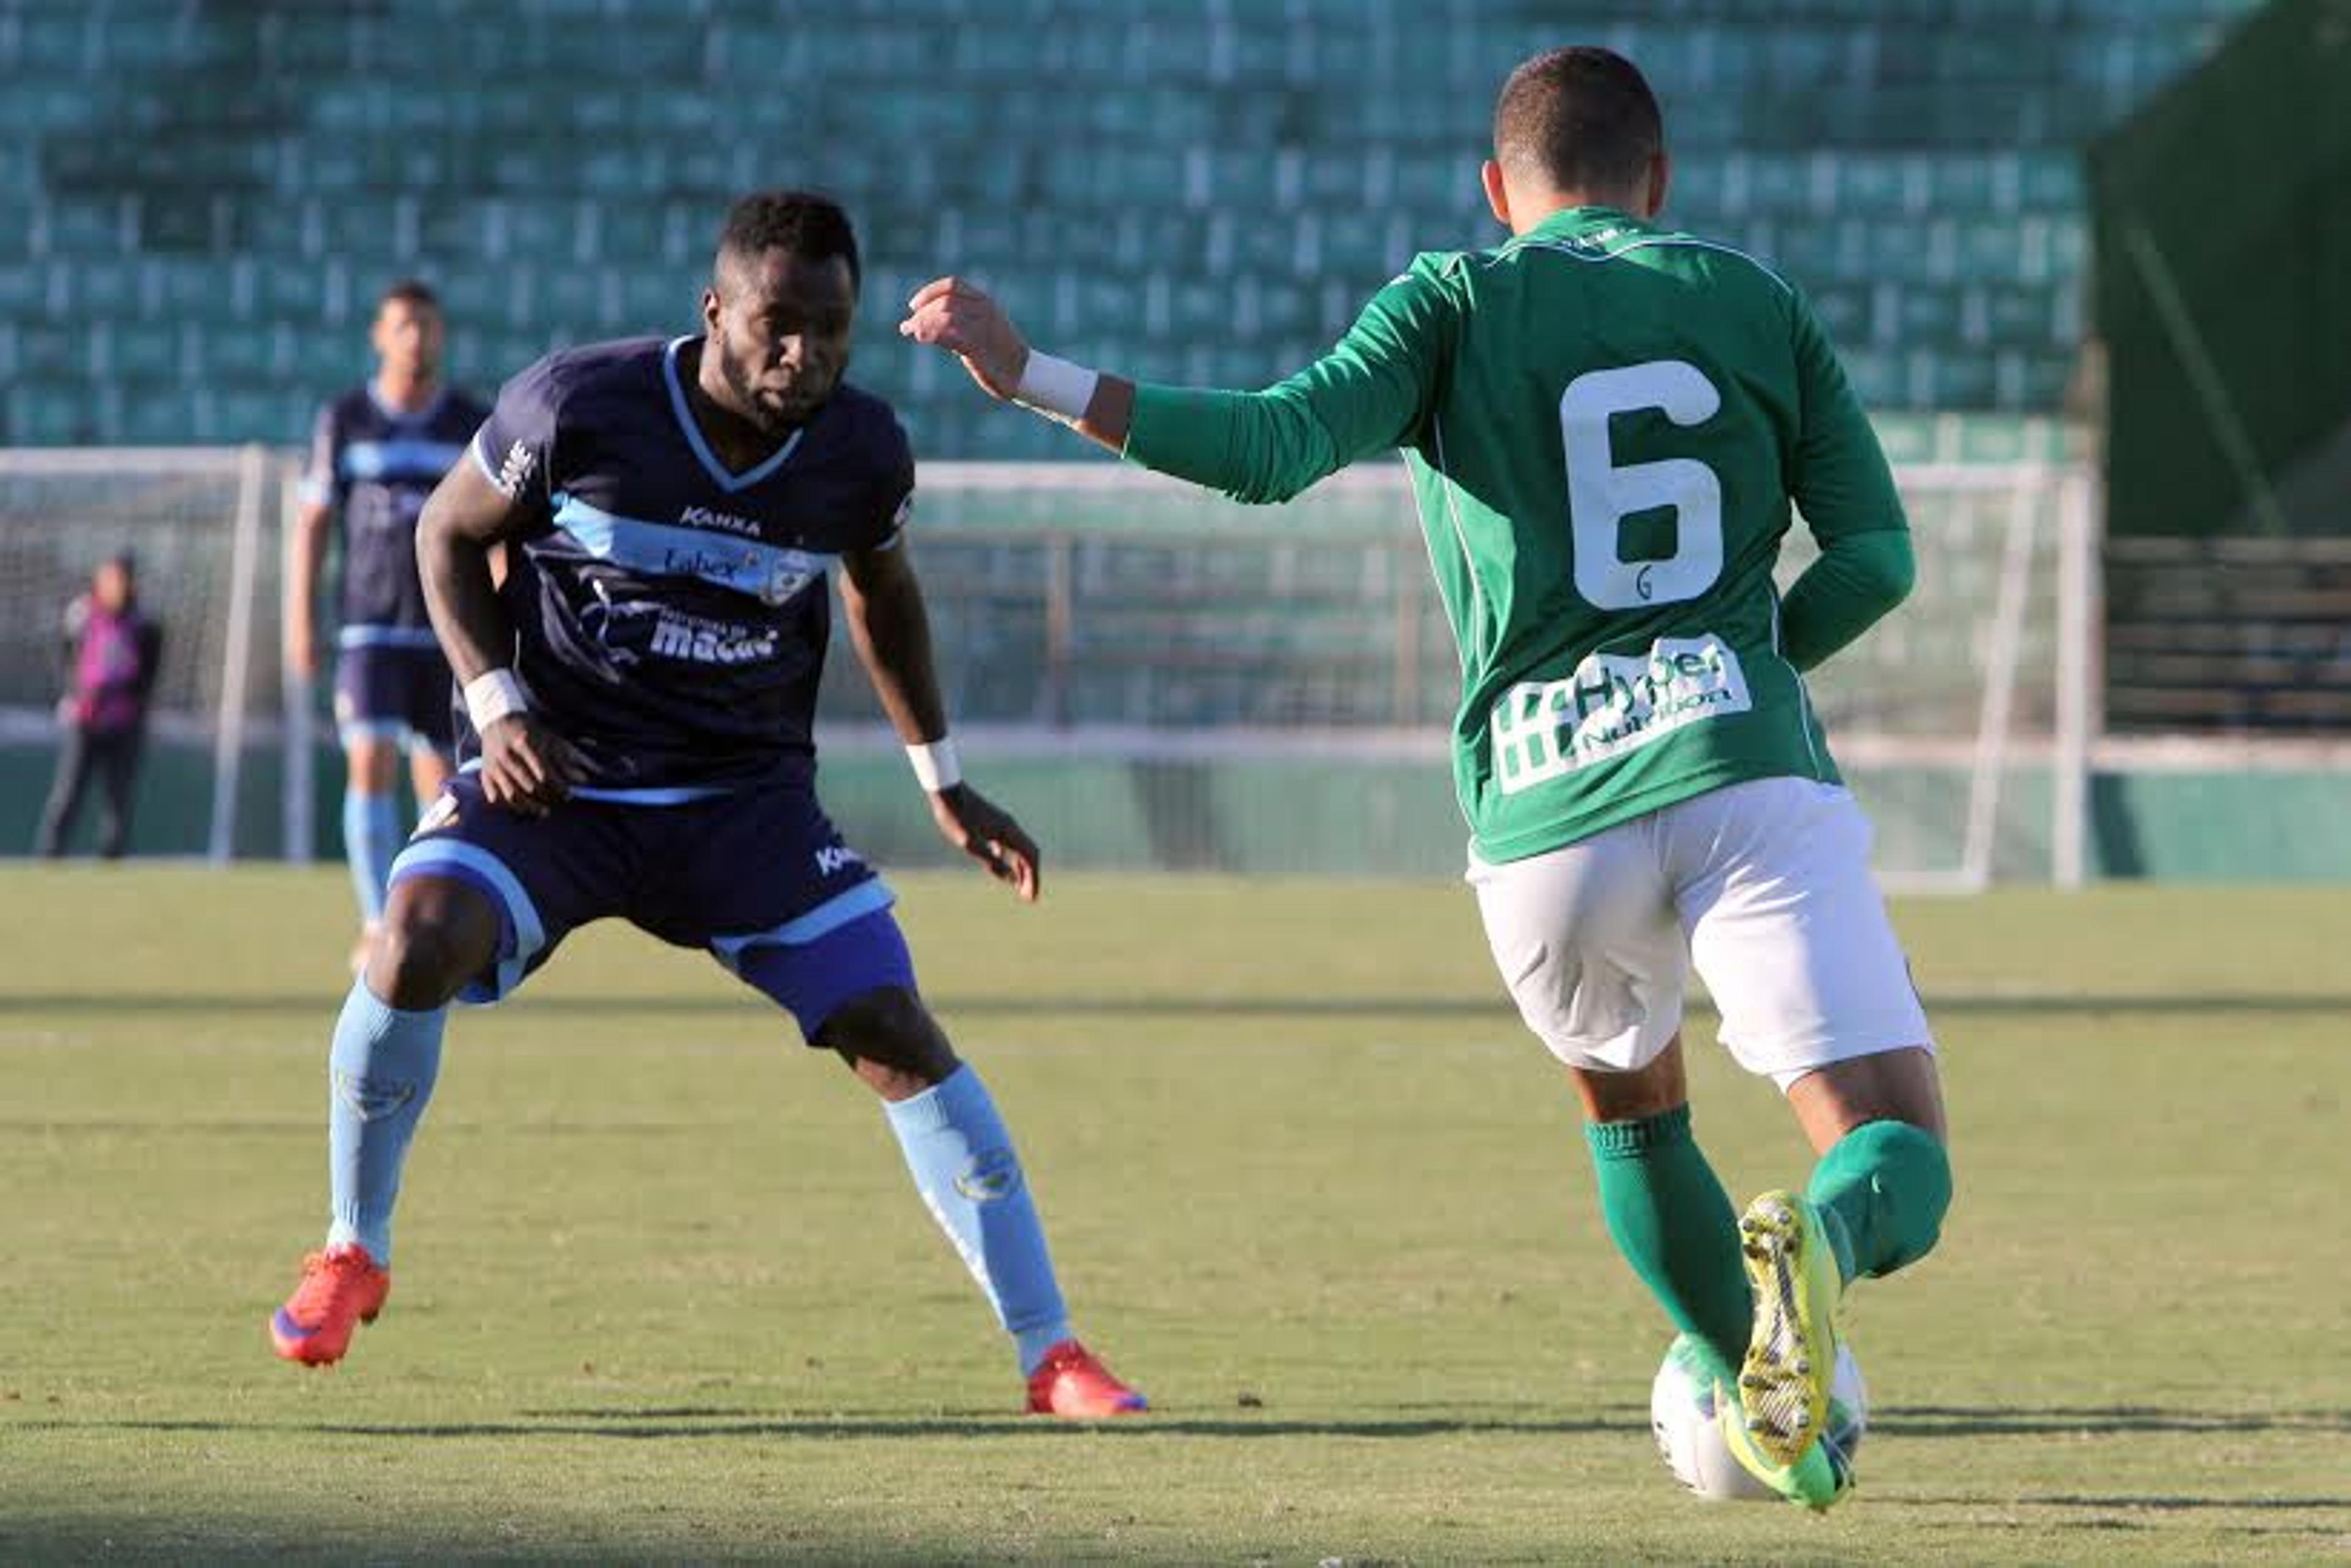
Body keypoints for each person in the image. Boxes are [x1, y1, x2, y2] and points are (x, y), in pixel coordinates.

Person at [902, 46, 1949, 1504]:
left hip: (1541, 821)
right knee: (1891, 1135)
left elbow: (1269, 447)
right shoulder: (1749, 298)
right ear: (1658, 180)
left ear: (1494, 188)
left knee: (1633, 1112)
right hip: (1735, 765)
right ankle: (1818, 1253)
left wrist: (1033, 376)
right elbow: (1878, 560)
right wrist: (1748, 654)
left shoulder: (1450, 300)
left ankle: (1776, 1421)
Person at [266, 191, 1146, 1420]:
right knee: (410, 941)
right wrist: (501, 702)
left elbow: (880, 597)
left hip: (743, 806)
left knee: (893, 1023)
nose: (804, 357)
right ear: (714, 310)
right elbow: (445, 535)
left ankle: (1051, 1352)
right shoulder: (579, 404)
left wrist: (943, 780)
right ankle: (353, 1247)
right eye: (778, 327)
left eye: (830, 331)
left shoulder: (861, 450)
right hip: (560, 780)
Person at [289, 280, 490, 970]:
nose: (417, 337)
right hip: (368, 628)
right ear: (380, 335)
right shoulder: (345, 419)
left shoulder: (469, 421)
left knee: (441, 785)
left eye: (428, 325)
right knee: (369, 759)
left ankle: (427, 914)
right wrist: (300, 619)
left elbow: (497, 530)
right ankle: (379, 921)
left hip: (445, 626)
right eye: (404, 325)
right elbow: (313, 522)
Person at [36, 552, 163, 859]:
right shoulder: (81, 614)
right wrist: (78, 693)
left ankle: (112, 856)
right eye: (108, 578)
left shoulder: (145, 623)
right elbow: (65, 659)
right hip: (86, 719)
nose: (113, 585)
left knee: (117, 796)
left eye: (120, 579)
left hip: (125, 721)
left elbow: (149, 673)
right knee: (68, 792)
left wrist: (130, 698)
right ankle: (50, 855)